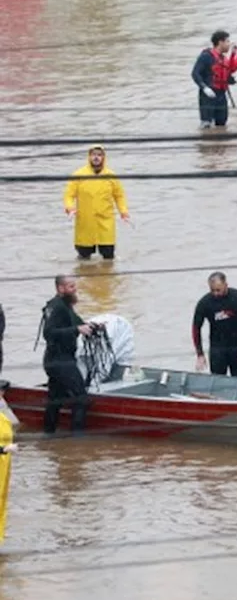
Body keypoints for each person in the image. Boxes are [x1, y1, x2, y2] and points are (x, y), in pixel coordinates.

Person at [40, 275, 92, 434]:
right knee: (81, 398)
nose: (74, 289)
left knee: (55, 399)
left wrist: (92, 326)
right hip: (60, 361)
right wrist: (76, 330)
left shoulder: (65, 305)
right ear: (60, 288)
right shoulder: (57, 307)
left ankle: (49, 434)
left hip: (57, 360)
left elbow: (78, 322)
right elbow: (48, 333)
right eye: (70, 286)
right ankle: (77, 439)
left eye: (74, 286)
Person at [64, 145, 129, 260]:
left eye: (99, 155)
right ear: (89, 157)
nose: (96, 157)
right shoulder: (79, 175)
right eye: (93, 155)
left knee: (108, 257)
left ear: (104, 157)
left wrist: (123, 212)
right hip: (85, 221)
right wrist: (70, 208)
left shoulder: (111, 176)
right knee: (83, 258)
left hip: (105, 221)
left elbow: (119, 196)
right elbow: (69, 195)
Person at [191, 272, 237, 376]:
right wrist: (200, 354)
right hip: (217, 349)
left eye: (218, 290)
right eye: (212, 290)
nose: (215, 293)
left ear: (226, 285)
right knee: (218, 382)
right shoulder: (204, 303)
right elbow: (196, 329)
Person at [192, 30, 235, 127]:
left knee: (222, 124)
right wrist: (204, 87)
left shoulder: (224, 59)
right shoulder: (206, 56)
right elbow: (195, 73)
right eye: (227, 41)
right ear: (220, 42)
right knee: (206, 124)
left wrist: (234, 80)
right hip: (208, 96)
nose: (229, 44)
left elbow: (226, 77)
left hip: (221, 95)